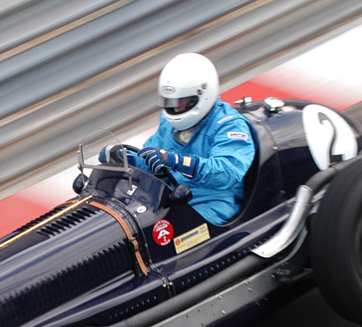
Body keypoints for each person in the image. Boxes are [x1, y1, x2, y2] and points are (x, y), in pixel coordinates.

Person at [103, 53, 256, 226]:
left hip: (213, 204)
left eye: (182, 101)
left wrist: (177, 161)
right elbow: (152, 158)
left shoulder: (229, 126)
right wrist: (127, 159)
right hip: (174, 197)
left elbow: (226, 174)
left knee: (171, 233)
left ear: (202, 95)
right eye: (172, 102)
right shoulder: (168, 124)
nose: (177, 107)